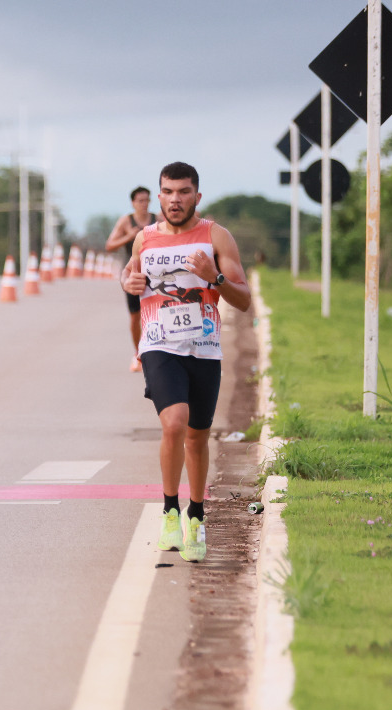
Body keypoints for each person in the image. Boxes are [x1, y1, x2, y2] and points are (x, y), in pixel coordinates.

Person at [122, 161, 250, 564]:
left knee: (197, 435)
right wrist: (129, 281)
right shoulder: (144, 238)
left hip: (204, 348)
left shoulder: (216, 236)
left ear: (197, 195)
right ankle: (170, 511)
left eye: (183, 192)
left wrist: (214, 278)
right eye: (168, 192)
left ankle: (196, 514)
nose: (175, 200)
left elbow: (244, 300)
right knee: (174, 423)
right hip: (159, 345)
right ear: (158, 196)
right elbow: (130, 274)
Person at [106, 186, 158, 371]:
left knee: (154, 315)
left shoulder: (157, 220)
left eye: (147, 200)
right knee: (135, 316)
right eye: (140, 201)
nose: (144, 204)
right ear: (133, 203)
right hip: (133, 274)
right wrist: (129, 235)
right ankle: (138, 354)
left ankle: (154, 352)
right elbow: (110, 245)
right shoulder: (125, 221)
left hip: (156, 274)